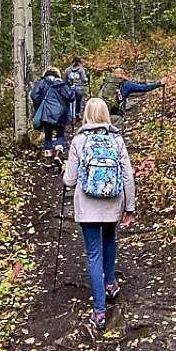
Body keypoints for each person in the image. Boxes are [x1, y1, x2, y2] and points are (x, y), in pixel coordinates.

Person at [62, 97, 136, 335]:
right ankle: (111, 284)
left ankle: (100, 311)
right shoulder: (116, 139)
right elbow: (128, 175)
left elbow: (70, 180)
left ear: (86, 115)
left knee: (93, 253)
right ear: (105, 114)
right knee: (109, 240)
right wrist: (130, 206)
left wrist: (66, 171)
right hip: (112, 203)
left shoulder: (79, 140)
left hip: (88, 207)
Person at [30, 66, 74, 154]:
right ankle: (58, 152)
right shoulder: (61, 84)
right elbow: (71, 97)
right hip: (60, 113)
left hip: (46, 112)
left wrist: (40, 105)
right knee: (60, 133)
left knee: (48, 134)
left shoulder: (41, 83)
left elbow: (34, 95)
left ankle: (48, 157)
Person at [98, 66, 167, 117]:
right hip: (116, 114)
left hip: (101, 112)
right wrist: (159, 83)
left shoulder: (107, 82)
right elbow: (144, 88)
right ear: (123, 74)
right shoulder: (126, 84)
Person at [64, 56, 89, 123]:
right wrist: (87, 79)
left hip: (70, 88)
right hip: (79, 88)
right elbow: (84, 80)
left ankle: (71, 116)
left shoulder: (67, 70)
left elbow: (65, 81)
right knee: (78, 102)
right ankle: (77, 114)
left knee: (70, 102)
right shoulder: (81, 69)